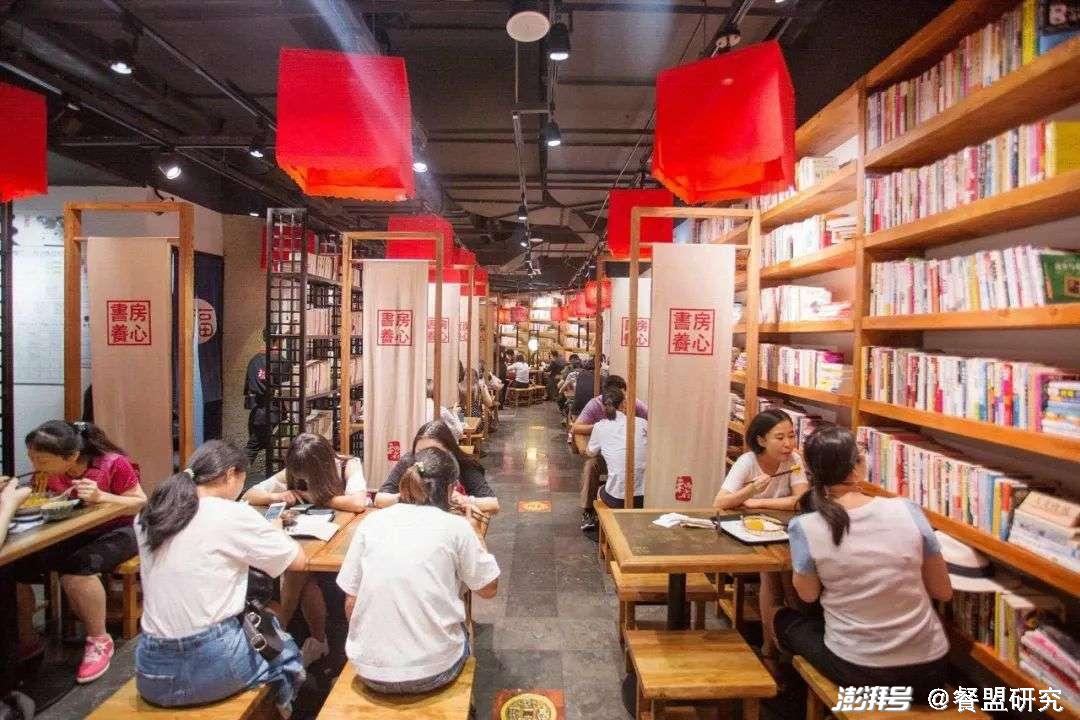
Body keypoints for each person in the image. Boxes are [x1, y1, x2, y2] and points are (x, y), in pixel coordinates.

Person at [768, 426, 952, 705]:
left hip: (860, 669)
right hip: (930, 670)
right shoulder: (907, 509)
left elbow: (808, 595)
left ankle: (785, 696)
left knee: (781, 617)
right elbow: (943, 592)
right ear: (857, 467)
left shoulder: (805, 526)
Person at [134, 440, 307, 712]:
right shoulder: (231, 513)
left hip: (151, 670)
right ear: (230, 475)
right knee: (285, 651)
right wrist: (274, 530)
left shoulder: (150, 514)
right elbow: (298, 561)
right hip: (214, 663)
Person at [337, 446, 499, 694]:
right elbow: (488, 589)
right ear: (449, 489)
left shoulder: (372, 522)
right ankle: (470, 703)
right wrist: (474, 531)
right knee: (465, 625)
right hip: (435, 671)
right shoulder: (456, 527)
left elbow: (351, 602)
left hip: (368, 669)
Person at [14, 420, 146, 683]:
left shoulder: (113, 463)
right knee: (16, 568)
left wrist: (102, 496)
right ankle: (27, 638)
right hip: (72, 531)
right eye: (31, 457)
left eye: (41, 459)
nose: (35, 464)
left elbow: (140, 502)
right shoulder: (47, 475)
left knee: (75, 571)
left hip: (121, 530)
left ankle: (99, 639)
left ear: (71, 456)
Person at [241, 433, 370, 667]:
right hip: (308, 543)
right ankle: (314, 642)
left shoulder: (347, 465)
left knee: (297, 572)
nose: (303, 478)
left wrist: (318, 498)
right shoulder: (296, 469)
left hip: (338, 545)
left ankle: (282, 635)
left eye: (309, 474)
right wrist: (277, 495)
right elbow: (250, 495)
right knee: (301, 576)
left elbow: (358, 502)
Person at [712, 409, 808, 663]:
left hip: (784, 532)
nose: (788, 443)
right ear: (761, 440)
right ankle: (770, 647)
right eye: (780, 437)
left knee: (789, 576)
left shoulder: (794, 460)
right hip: (750, 534)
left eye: (791, 436)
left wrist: (756, 503)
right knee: (772, 575)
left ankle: (791, 647)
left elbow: (801, 499)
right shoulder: (748, 461)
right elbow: (720, 502)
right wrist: (750, 490)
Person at [375, 421, 499, 516]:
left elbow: (493, 504)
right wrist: (408, 496)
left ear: (449, 451)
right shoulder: (409, 461)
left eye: (434, 452)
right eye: (421, 452)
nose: (427, 457)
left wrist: (463, 500)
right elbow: (380, 499)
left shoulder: (463, 465)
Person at [574, 375, 648, 531]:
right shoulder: (595, 405)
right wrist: (602, 429)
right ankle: (588, 511)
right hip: (605, 455)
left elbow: (588, 451)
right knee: (591, 466)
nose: (625, 400)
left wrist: (604, 429)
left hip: (623, 463)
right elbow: (576, 428)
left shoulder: (636, 405)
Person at [585, 388, 646, 509]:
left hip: (617, 499)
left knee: (600, 489)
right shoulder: (643, 423)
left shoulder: (599, 427)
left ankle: (591, 514)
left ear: (603, 407)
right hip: (646, 496)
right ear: (624, 404)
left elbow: (590, 453)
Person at [243, 330, 276, 468]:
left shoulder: (254, 361)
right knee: (267, 447)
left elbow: (249, 388)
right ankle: (235, 475)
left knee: (253, 447)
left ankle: (236, 476)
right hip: (275, 411)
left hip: (258, 412)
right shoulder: (280, 361)